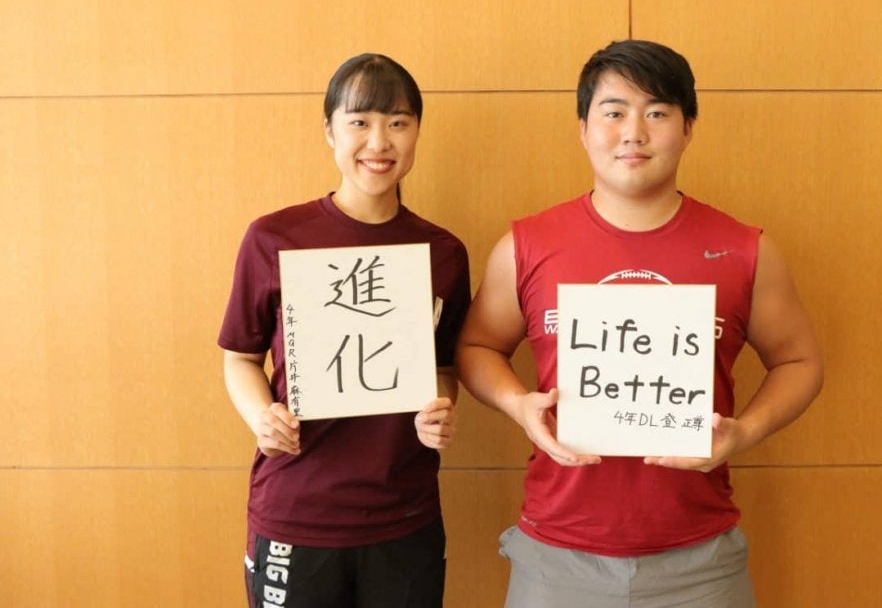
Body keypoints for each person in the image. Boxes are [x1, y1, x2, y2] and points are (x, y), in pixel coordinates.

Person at [456, 40, 823, 607]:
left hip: (699, 560)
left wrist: (744, 432)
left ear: (688, 128)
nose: (634, 132)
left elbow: (799, 361)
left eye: (656, 112)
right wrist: (517, 405)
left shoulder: (743, 250)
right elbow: (478, 345)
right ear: (584, 129)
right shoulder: (527, 246)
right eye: (614, 112)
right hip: (556, 554)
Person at [219, 53, 470, 608]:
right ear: (330, 130)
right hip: (297, 508)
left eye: (398, 123)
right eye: (359, 122)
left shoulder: (443, 252)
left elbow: (444, 367)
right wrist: (261, 416)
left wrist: (441, 408)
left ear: (417, 132)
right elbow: (240, 357)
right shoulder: (274, 237)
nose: (379, 142)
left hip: (404, 513)